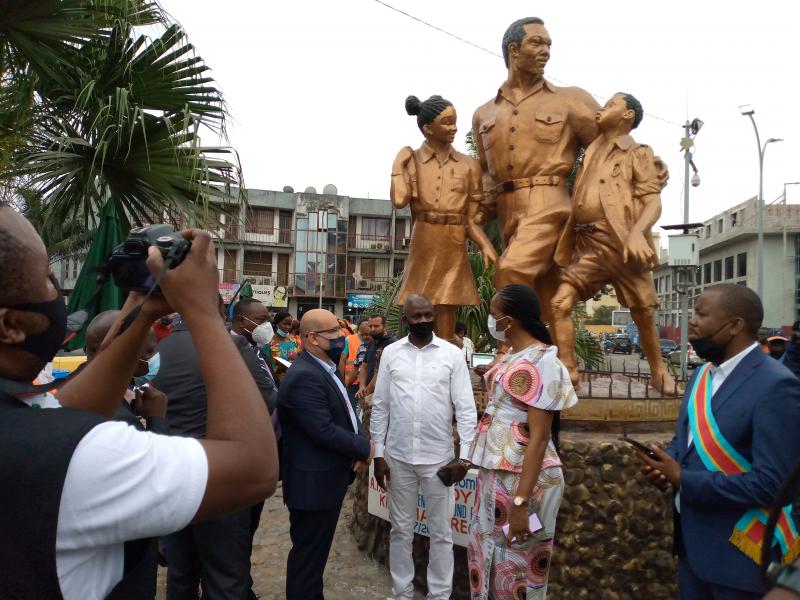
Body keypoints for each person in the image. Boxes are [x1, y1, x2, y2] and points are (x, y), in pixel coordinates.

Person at [0, 206, 278, 599]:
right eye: (47, 277)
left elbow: (69, 412)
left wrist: (142, 307)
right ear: (11, 326)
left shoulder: (22, 421)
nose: (54, 290)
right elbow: (255, 469)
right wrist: (203, 310)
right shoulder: (78, 459)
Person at [634, 284, 800, 598]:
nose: (691, 321)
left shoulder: (777, 386)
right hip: (693, 554)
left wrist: (683, 478)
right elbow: (687, 443)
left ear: (734, 325)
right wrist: (665, 461)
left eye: (701, 313)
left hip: (742, 562)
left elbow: (773, 485)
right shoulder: (702, 376)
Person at [472, 17, 599, 327]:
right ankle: (558, 365)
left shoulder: (571, 99)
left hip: (551, 201)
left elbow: (607, 149)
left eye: (548, 45)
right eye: (537, 43)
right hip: (506, 210)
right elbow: (487, 174)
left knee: (511, 271)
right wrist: (472, 209)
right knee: (548, 296)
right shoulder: (484, 114)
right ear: (513, 50)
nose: (546, 51)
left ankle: (512, 351)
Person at [550, 92, 676, 394]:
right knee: (558, 304)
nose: (601, 109)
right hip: (588, 245)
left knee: (643, 311)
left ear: (628, 115)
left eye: (611, 105)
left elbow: (653, 202)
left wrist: (636, 233)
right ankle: (568, 371)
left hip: (622, 244)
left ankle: (659, 368)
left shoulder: (638, 152)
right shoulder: (591, 147)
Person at [153, 295, 277, 600]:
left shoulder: (158, 349)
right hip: (219, 474)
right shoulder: (231, 346)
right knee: (225, 575)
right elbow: (267, 399)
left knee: (181, 571)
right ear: (222, 313)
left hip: (172, 474)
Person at [466, 284, 577, 600]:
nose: (490, 319)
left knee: (516, 565)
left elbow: (540, 436)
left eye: (493, 314)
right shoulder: (515, 355)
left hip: (522, 480)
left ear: (510, 321)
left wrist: (520, 503)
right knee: (487, 552)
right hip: (497, 470)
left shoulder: (543, 360)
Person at [371, 294, 478, 600]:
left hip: (439, 461)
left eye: (427, 315)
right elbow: (380, 407)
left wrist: (465, 459)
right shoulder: (391, 353)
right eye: (415, 316)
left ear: (434, 315)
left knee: (442, 534)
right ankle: (402, 592)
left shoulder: (451, 354)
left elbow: (466, 409)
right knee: (400, 530)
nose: (422, 321)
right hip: (398, 458)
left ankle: (439, 595)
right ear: (406, 320)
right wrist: (379, 455)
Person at [277, 308, 374, 599]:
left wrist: (356, 440)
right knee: (307, 561)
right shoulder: (305, 375)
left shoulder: (322, 368)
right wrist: (364, 447)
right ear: (312, 338)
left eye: (340, 329)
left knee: (314, 560)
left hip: (324, 481)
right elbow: (322, 429)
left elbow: (344, 412)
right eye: (332, 332)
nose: (341, 336)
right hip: (312, 486)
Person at [391, 94, 498, 341]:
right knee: (419, 298)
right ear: (427, 128)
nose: (454, 128)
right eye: (447, 123)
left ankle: (448, 348)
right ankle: (417, 346)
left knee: (447, 300)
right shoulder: (412, 159)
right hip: (425, 236)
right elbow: (399, 200)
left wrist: (485, 244)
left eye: (455, 121)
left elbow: (471, 218)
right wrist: (398, 165)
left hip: (454, 238)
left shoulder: (469, 165)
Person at [82, 310, 169, 600]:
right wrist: (157, 420)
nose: (155, 357)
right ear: (128, 353)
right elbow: (152, 480)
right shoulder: (113, 416)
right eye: (151, 350)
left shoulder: (74, 390)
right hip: (119, 562)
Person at [231, 297, 279, 398]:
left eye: (268, 321)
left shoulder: (258, 350)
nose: (267, 326)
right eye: (261, 320)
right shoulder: (226, 351)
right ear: (241, 320)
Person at [356, 313, 396, 404]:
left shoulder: (391, 344)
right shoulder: (372, 342)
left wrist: (366, 391)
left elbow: (380, 372)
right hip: (368, 394)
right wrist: (362, 386)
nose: (373, 329)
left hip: (382, 397)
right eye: (370, 326)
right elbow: (364, 365)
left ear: (385, 326)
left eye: (376, 326)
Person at [339, 318, 371, 412]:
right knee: (349, 410)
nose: (365, 336)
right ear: (359, 330)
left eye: (367, 333)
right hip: (352, 383)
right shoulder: (349, 340)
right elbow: (342, 360)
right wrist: (342, 382)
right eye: (362, 333)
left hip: (367, 384)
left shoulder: (376, 345)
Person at [270, 311, 302, 380]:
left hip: (295, 381)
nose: (288, 327)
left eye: (290, 324)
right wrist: (281, 368)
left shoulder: (294, 342)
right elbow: (267, 369)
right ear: (277, 324)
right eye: (285, 324)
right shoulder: (269, 345)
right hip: (278, 384)